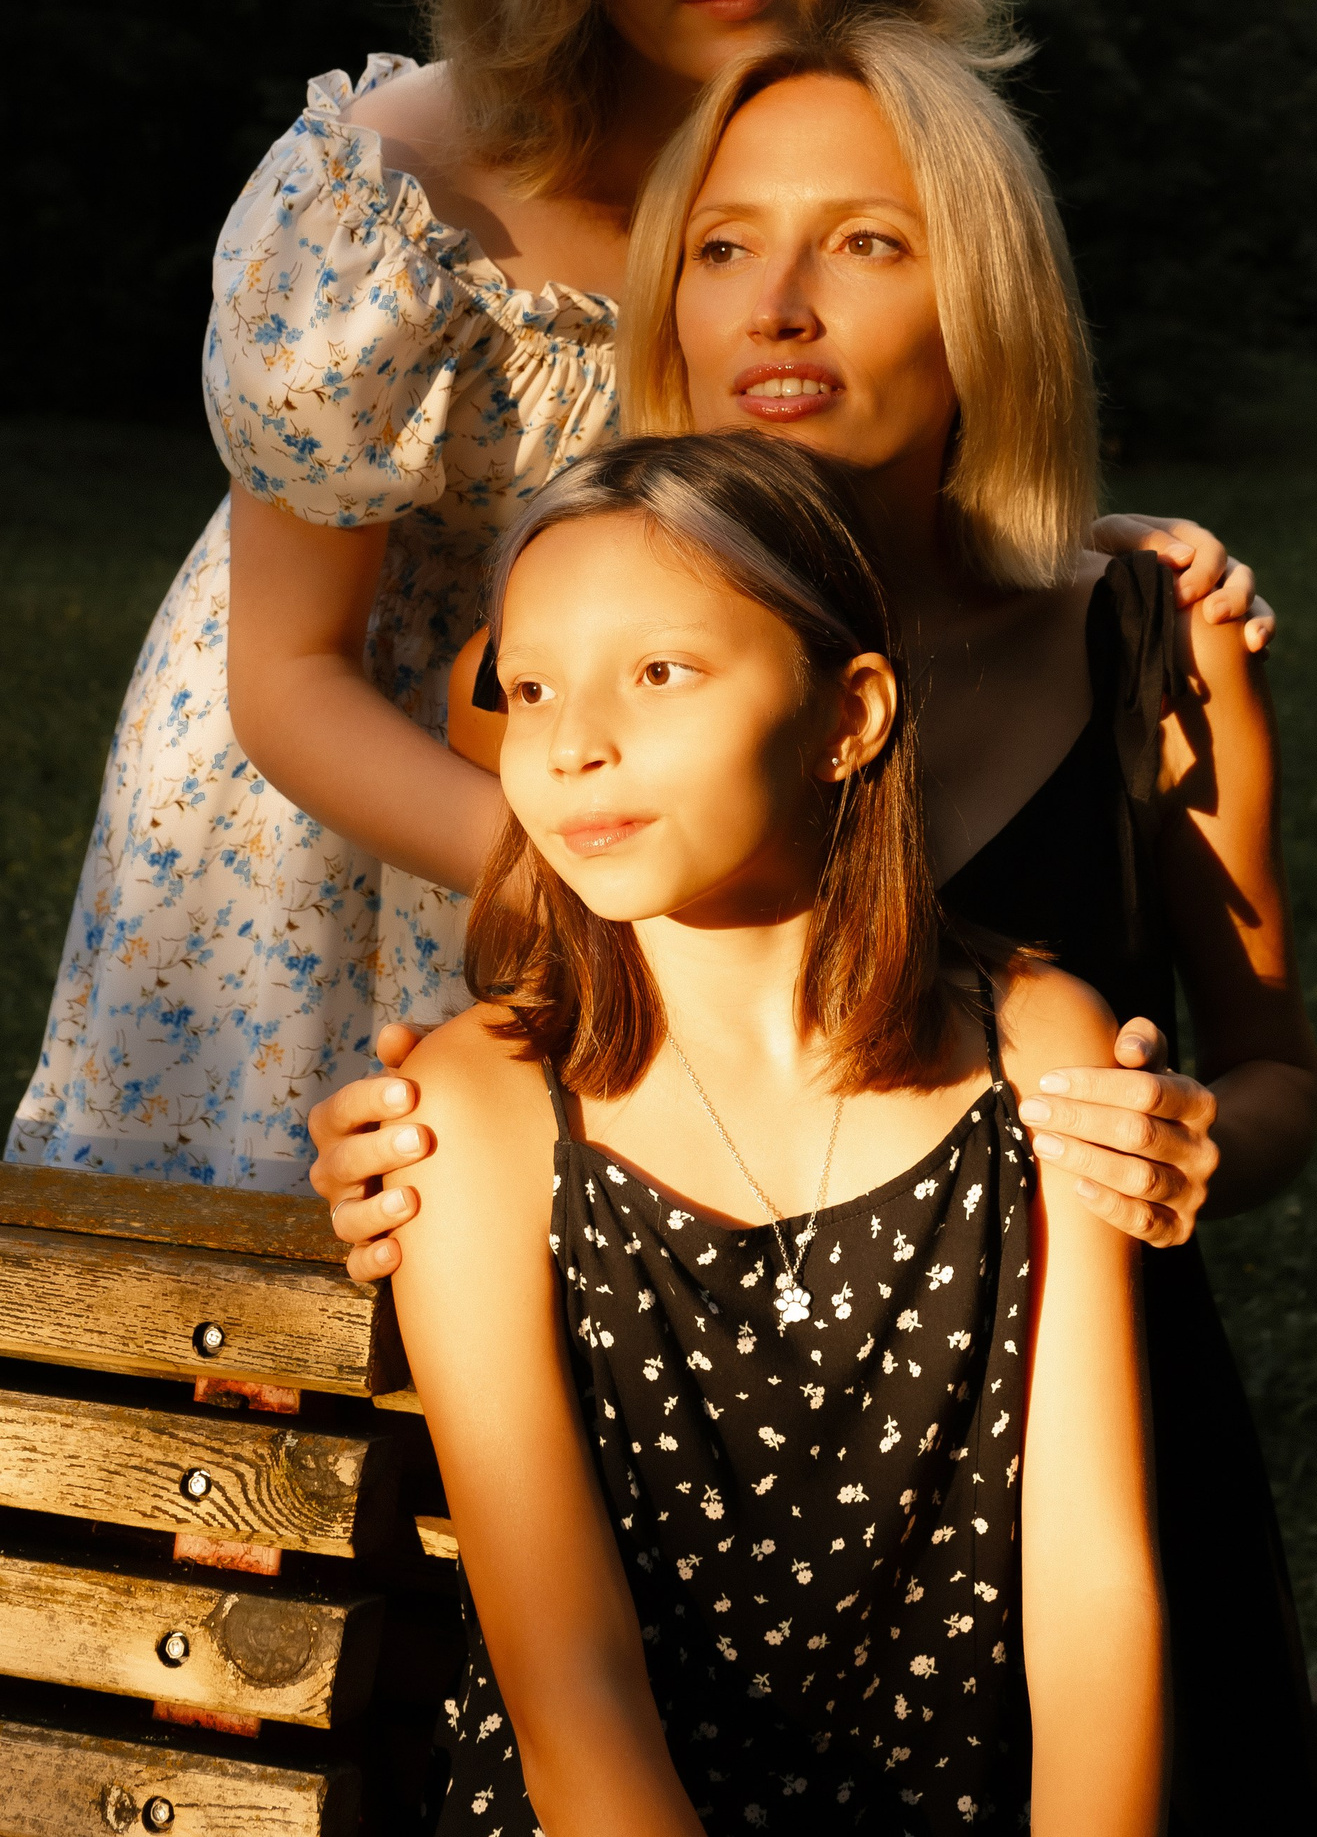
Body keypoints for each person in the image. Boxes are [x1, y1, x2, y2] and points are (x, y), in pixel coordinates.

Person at [5, 0, 1260, 1191]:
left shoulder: (852, 139)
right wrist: (559, 879)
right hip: (382, 817)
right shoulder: (396, 202)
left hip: (687, 770)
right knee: (326, 1268)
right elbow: (289, 675)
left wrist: (1070, 553)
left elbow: (857, 453)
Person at [315, 22, 1317, 1834]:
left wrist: (1187, 1143)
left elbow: (1275, 1069)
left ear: (982, 297)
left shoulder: (1151, 638)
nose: (779, 303)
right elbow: (559, 1022)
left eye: (866, 240)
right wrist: (393, 1138)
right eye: (722, 244)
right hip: (700, 1491)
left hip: (1062, 1418)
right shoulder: (545, 683)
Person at [395, 429, 1166, 1836]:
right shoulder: (479, 1109)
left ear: (850, 715)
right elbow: (571, 1688)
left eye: (659, 671)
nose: (573, 741)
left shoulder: (1038, 1051)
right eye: (532, 687)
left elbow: (1095, 1588)